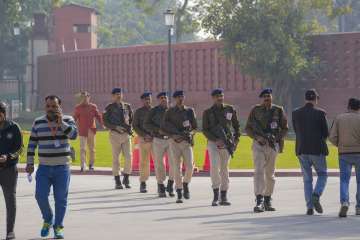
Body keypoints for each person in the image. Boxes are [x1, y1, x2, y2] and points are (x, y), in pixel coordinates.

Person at [26, 95, 78, 239]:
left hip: (62, 168)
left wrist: (61, 123)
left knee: (61, 199)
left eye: (54, 106)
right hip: (44, 167)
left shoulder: (68, 120)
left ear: (59, 107)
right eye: (48, 106)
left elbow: (74, 135)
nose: (51, 109)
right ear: (45, 107)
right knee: (40, 196)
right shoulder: (38, 122)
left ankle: (58, 227)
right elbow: (32, 144)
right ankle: (48, 218)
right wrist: (30, 163)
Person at [245, 88, 288, 213]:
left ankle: (268, 199)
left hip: (272, 145)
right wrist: (257, 137)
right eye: (264, 97)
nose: (266, 99)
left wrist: (276, 138)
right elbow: (248, 128)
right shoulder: (255, 110)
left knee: (270, 174)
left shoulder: (278, 110)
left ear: (271, 97)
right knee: (258, 171)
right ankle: (259, 200)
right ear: (261, 99)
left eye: (268, 96)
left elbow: (285, 128)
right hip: (258, 145)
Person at [292, 89, 329, 215]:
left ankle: (309, 207)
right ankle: (316, 194)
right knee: (322, 174)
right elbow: (326, 133)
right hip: (317, 149)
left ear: (305, 99)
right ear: (316, 99)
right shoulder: (320, 113)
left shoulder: (296, 113)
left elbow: (296, 130)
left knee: (307, 180)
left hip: (301, 149)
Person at [202, 88, 240, 206]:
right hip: (214, 143)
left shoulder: (230, 109)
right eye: (217, 96)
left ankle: (223, 195)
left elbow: (236, 126)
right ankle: (215, 195)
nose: (220, 98)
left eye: (221, 95)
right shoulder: (208, 112)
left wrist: (236, 140)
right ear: (213, 98)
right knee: (214, 167)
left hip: (227, 143)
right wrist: (216, 140)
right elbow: (205, 130)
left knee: (224, 169)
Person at [161, 90, 197, 203]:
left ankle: (185, 183)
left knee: (190, 166)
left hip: (186, 142)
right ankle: (179, 192)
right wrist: (173, 135)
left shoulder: (190, 111)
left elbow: (195, 127)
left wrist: (189, 134)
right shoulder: (170, 111)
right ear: (175, 99)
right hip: (174, 142)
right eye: (178, 97)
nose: (180, 98)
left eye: (182, 96)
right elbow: (163, 128)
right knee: (176, 168)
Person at [329, 98, 360, 218]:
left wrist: (340, 144)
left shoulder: (339, 118)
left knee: (344, 180)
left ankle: (345, 202)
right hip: (359, 152)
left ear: (348, 106)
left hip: (344, 153)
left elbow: (332, 137)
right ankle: (358, 207)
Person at [144, 92, 175, 197]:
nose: (163, 99)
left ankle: (171, 184)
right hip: (158, 140)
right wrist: (158, 130)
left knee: (174, 163)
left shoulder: (172, 110)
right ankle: (160, 185)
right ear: (158, 100)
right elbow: (146, 124)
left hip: (171, 140)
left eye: (165, 97)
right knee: (159, 163)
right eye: (161, 98)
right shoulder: (154, 111)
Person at [0, 102, 23, 240]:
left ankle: (10, 231)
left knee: (10, 200)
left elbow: (20, 149)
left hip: (8, 169)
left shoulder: (14, 127)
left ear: (4, 113)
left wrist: (7, 157)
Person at [103, 88, 133, 189]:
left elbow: (131, 119)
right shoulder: (109, 107)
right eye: (116, 94)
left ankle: (126, 177)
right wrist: (115, 127)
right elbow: (105, 122)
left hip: (126, 135)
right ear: (112, 96)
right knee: (116, 158)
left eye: (120, 93)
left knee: (129, 157)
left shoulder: (127, 106)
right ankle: (117, 180)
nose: (118, 95)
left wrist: (130, 129)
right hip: (115, 135)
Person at [73, 91, 104, 172]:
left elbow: (98, 116)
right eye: (82, 97)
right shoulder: (78, 107)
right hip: (82, 130)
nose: (84, 98)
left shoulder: (93, 106)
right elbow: (74, 118)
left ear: (89, 97)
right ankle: (83, 165)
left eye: (86, 97)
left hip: (91, 130)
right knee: (82, 148)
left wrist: (102, 124)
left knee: (92, 149)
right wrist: (71, 126)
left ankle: (91, 164)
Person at [132, 92, 153, 193]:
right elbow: (135, 126)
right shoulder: (138, 112)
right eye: (145, 99)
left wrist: (153, 135)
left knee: (159, 162)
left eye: (149, 98)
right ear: (142, 101)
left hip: (155, 139)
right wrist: (145, 135)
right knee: (144, 162)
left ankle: (161, 184)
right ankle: (143, 183)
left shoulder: (155, 111)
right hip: (143, 139)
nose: (148, 100)